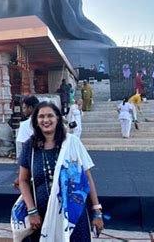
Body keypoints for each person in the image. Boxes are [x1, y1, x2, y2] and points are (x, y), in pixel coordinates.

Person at [17, 102, 104, 241]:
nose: (46, 120)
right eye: (41, 116)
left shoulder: (72, 143)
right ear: (36, 121)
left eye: (50, 115)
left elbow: (87, 179)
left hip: (74, 216)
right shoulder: (30, 146)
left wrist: (97, 212)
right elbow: (22, 180)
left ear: (57, 118)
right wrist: (32, 210)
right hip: (42, 216)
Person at [16, 96, 40, 161]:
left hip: (31, 159)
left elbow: (23, 147)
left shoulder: (25, 124)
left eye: (24, 108)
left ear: (30, 108)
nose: (23, 111)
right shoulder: (47, 122)